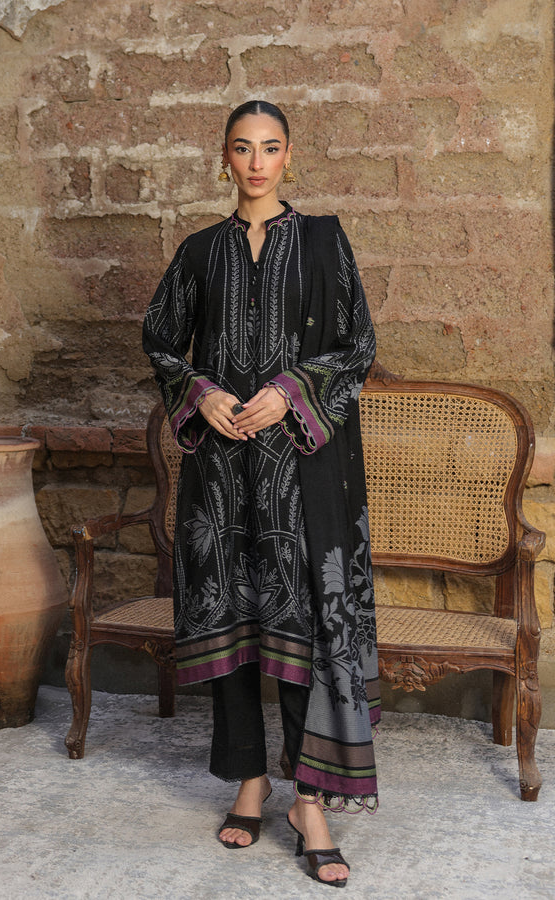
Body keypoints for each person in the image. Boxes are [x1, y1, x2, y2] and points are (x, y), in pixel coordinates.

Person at [143, 100, 379, 888]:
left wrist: (289, 391)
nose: (255, 163)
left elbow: (357, 345)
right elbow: (160, 339)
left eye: (269, 148)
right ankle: (250, 781)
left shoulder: (323, 240)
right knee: (234, 627)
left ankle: (308, 801)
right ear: (224, 158)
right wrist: (202, 392)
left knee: (299, 629)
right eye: (241, 148)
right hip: (220, 476)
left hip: (299, 471)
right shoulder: (199, 251)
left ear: (288, 156)